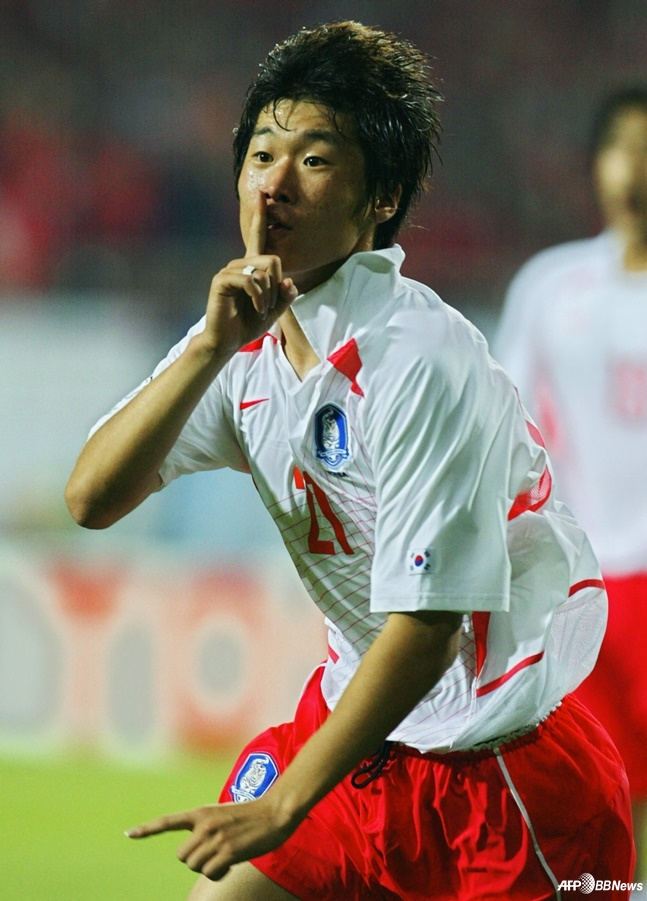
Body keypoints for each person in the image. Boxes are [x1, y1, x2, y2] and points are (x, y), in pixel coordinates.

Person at [65, 22, 635, 900]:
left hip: (500, 770)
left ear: (384, 195)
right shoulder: (242, 337)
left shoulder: (419, 356)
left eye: (314, 159)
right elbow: (92, 497)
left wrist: (287, 799)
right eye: (260, 152)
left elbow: (427, 625)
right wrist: (205, 350)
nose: (274, 183)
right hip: (358, 733)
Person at [494, 85, 647, 887]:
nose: (637, 165)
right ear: (595, 164)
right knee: (597, 799)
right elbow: (504, 426)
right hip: (581, 586)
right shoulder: (550, 288)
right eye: (623, 145)